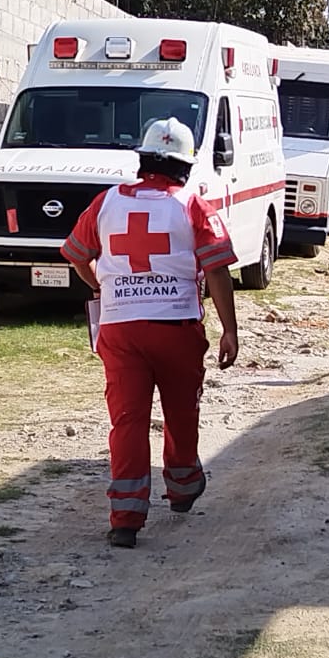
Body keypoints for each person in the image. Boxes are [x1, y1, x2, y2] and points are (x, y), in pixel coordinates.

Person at [61, 118, 240, 549]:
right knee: (180, 413)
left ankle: (125, 519)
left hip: (119, 328)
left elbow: (76, 255)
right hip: (175, 328)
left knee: (127, 421)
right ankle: (181, 487)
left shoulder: (105, 203)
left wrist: (106, 286)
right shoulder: (193, 206)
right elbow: (216, 270)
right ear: (185, 166)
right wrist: (230, 330)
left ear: (143, 159)